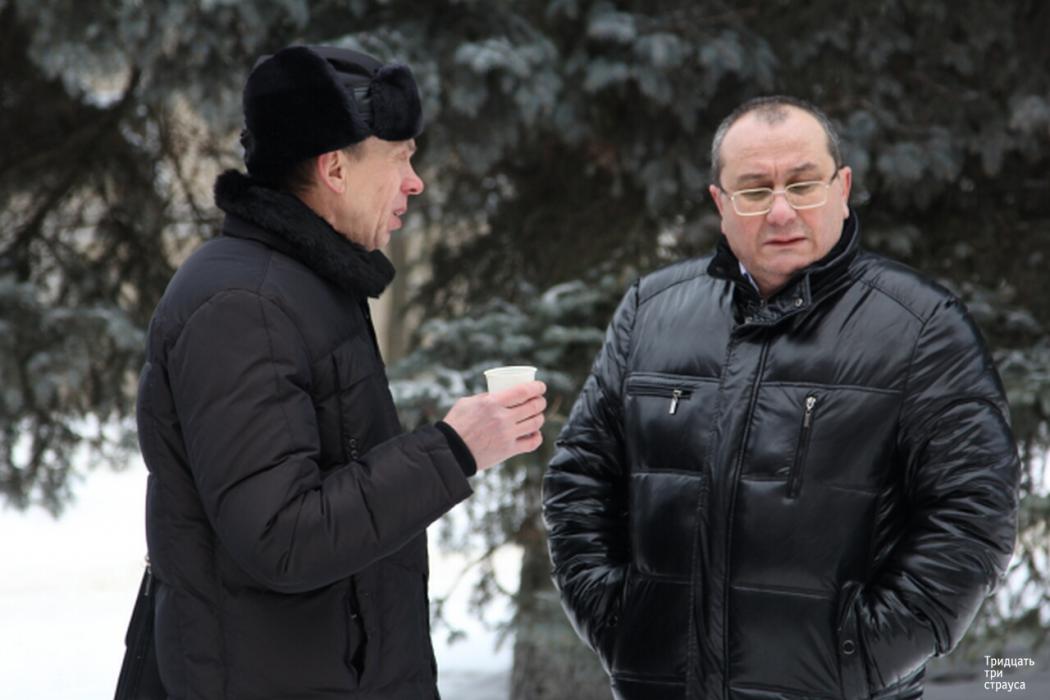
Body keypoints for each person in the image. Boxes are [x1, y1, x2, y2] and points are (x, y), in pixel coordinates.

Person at [542, 96, 1019, 700]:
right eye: (754, 190)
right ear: (720, 203)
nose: (781, 211)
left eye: (803, 184)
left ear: (842, 188)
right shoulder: (651, 311)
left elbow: (974, 515)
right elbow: (579, 480)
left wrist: (863, 658)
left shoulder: (921, 324)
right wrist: (618, 623)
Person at [135, 45, 546, 699]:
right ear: (334, 168)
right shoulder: (245, 304)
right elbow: (283, 536)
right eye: (400, 157)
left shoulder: (304, 286)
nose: (415, 182)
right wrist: (452, 450)